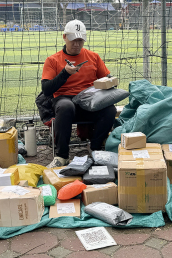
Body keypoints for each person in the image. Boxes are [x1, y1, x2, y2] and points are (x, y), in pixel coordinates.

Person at [41, 20, 117, 169]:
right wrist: (64, 73)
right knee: (65, 106)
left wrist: (110, 82)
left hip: (89, 100)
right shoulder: (52, 60)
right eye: (73, 40)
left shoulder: (93, 57)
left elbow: (107, 78)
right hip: (65, 100)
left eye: (80, 40)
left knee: (110, 109)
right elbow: (46, 90)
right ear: (64, 37)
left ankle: (95, 148)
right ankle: (62, 156)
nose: (76, 44)